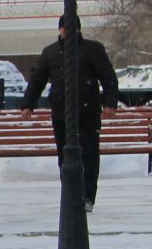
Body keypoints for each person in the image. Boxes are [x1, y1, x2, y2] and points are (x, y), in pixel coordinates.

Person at [23, 14, 120, 211]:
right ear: (60, 30)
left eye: (71, 28)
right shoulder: (50, 53)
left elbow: (108, 77)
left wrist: (110, 103)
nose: (67, 32)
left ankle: (87, 198)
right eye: (64, 28)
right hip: (61, 114)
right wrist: (28, 105)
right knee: (65, 156)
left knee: (89, 155)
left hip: (88, 113)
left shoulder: (93, 50)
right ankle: (71, 194)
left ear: (78, 29)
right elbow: (37, 81)